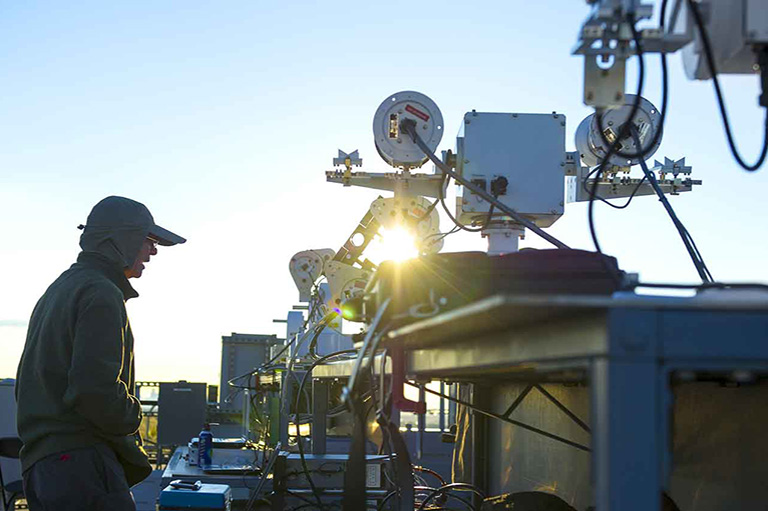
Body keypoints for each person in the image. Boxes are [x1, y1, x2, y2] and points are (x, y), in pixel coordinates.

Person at [15, 196, 185, 511]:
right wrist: (134, 414)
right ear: (120, 241)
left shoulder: (61, 288)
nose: (153, 251)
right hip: (81, 465)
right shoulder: (101, 293)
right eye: (147, 240)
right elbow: (94, 391)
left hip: (46, 467)